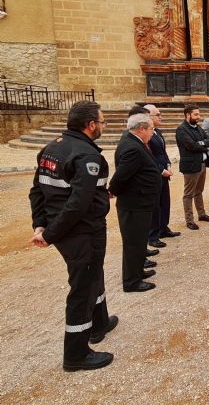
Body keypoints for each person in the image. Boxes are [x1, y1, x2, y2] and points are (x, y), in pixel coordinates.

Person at [28, 100, 117, 371]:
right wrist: (48, 234)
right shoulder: (87, 156)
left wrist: (40, 224)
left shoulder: (52, 147)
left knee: (94, 275)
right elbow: (78, 203)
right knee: (83, 288)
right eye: (102, 122)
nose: (103, 126)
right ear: (91, 125)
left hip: (66, 228)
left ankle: (99, 322)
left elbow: (37, 191)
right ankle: (76, 354)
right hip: (81, 232)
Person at [109, 114, 162, 292]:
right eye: (151, 129)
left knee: (139, 240)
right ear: (141, 129)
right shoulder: (132, 147)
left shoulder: (132, 141)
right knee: (133, 242)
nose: (152, 133)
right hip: (134, 203)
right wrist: (112, 191)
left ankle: (138, 271)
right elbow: (121, 176)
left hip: (140, 202)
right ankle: (132, 281)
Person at [144, 104, 180, 248]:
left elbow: (162, 152)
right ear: (148, 117)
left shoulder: (157, 132)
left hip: (164, 172)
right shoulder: (147, 134)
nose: (161, 117)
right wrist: (160, 169)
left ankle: (164, 228)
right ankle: (153, 236)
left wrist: (168, 164)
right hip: (155, 173)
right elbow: (148, 155)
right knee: (155, 205)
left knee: (165, 202)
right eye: (158, 115)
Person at [175, 104, 209, 230]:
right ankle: (189, 220)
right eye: (196, 114)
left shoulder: (198, 128)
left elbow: (208, 140)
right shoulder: (181, 130)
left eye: (199, 114)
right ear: (188, 115)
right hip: (190, 166)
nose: (199, 116)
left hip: (202, 164)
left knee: (199, 191)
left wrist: (202, 143)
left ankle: (201, 214)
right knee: (188, 194)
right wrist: (204, 144)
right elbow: (191, 146)